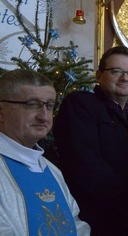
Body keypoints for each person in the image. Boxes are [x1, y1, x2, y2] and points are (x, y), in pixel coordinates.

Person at [53, 46, 128, 235]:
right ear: (99, 75)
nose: (125, 78)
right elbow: (84, 164)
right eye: (116, 71)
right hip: (95, 220)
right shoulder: (81, 105)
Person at [0, 70, 90, 235]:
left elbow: (76, 224)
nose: (44, 117)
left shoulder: (52, 171)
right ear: (1, 111)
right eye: (32, 104)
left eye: (49, 106)